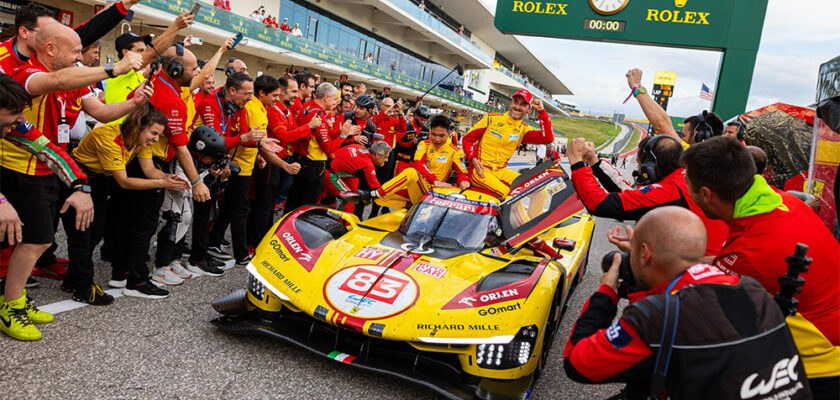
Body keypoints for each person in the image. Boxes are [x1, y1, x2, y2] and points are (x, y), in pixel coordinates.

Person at [564, 206, 809, 399]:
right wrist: (646, 257)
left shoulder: (653, 320)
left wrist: (606, 292)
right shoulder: (749, 288)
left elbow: (577, 363)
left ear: (646, 254)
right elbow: (681, 308)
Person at [681, 136, 840, 397]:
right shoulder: (781, 200)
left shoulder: (747, 254)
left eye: (689, 186)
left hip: (817, 369)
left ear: (707, 194)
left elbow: (700, 309)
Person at [0, 75, 93, 341]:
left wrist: (80, 186)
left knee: (17, 237)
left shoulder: (15, 124)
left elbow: (50, 150)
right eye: (14, 113)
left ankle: (11, 301)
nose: (19, 120)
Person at [72, 104, 190, 298]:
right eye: (153, 132)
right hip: (81, 176)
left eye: (159, 135)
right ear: (138, 126)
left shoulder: (139, 139)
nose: (155, 138)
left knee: (111, 225)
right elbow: (124, 181)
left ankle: (90, 278)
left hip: (102, 177)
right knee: (89, 232)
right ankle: (80, 285)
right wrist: (161, 182)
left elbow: (149, 171)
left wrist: (169, 178)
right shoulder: (109, 138)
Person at [566, 136, 728, 256]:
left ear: (651, 166)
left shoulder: (671, 190)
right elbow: (629, 194)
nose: (638, 168)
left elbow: (600, 204)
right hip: (709, 263)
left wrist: (576, 162)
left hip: (697, 278)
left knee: (620, 263)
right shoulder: (684, 177)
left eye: (639, 163)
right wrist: (594, 161)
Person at [0, 1, 139, 75]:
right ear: (24, 32)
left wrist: (125, 4)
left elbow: (89, 30)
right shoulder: (3, 61)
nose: (54, 36)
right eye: (47, 31)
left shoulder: (50, 49)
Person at [462, 89, 553, 199]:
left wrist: (541, 112)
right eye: (515, 102)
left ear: (529, 110)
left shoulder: (524, 129)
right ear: (511, 103)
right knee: (510, 196)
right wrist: (473, 159)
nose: (517, 107)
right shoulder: (492, 118)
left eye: (523, 104)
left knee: (539, 191)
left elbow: (548, 138)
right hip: (480, 170)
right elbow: (467, 139)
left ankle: (531, 217)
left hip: (501, 171)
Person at [245, 74, 301, 250]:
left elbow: (290, 134)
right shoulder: (269, 109)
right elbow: (284, 136)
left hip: (279, 159)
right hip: (268, 161)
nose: (296, 95)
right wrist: (310, 127)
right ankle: (255, 241)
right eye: (293, 91)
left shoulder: (283, 110)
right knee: (264, 203)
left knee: (269, 202)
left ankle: (263, 236)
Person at [370, 115, 469, 210]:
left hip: (435, 192)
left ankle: (375, 193)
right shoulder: (424, 144)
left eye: (441, 136)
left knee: (410, 172)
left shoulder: (455, 151)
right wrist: (433, 179)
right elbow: (418, 163)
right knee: (379, 199)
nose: (437, 139)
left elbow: (461, 173)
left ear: (449, 133)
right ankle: (411, 207)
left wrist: (464, 181)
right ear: (430, 131)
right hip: (418, 188)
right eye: (433, 134)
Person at [285, 83, 353, 212]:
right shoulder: (318, 116)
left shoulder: (306, 106)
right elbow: (328, 148)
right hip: (312, 165)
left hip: (300, 159)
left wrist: (340, 131)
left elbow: (320, 135)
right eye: (334, 99)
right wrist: (343, 135)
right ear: (326, 97)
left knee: (293, 202)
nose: (335, 104)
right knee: (306, 208)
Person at [325, 141, 391, 217]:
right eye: (385, 157)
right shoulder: (367, 165)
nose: (387, 160)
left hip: (328, 165)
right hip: (329, 173)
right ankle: (340, 225)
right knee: (350, 202)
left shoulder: (359, 147)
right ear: (377, 155)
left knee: (353, 189)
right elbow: (377, 190)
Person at [393, 105, 430, 175]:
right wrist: (411, 143)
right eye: (421, 120)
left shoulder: (426, 130)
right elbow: (399, 141)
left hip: (416, 163)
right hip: (402, 160)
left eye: (425, 120)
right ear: (415, 116)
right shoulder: (406, 126)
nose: (423, 122)